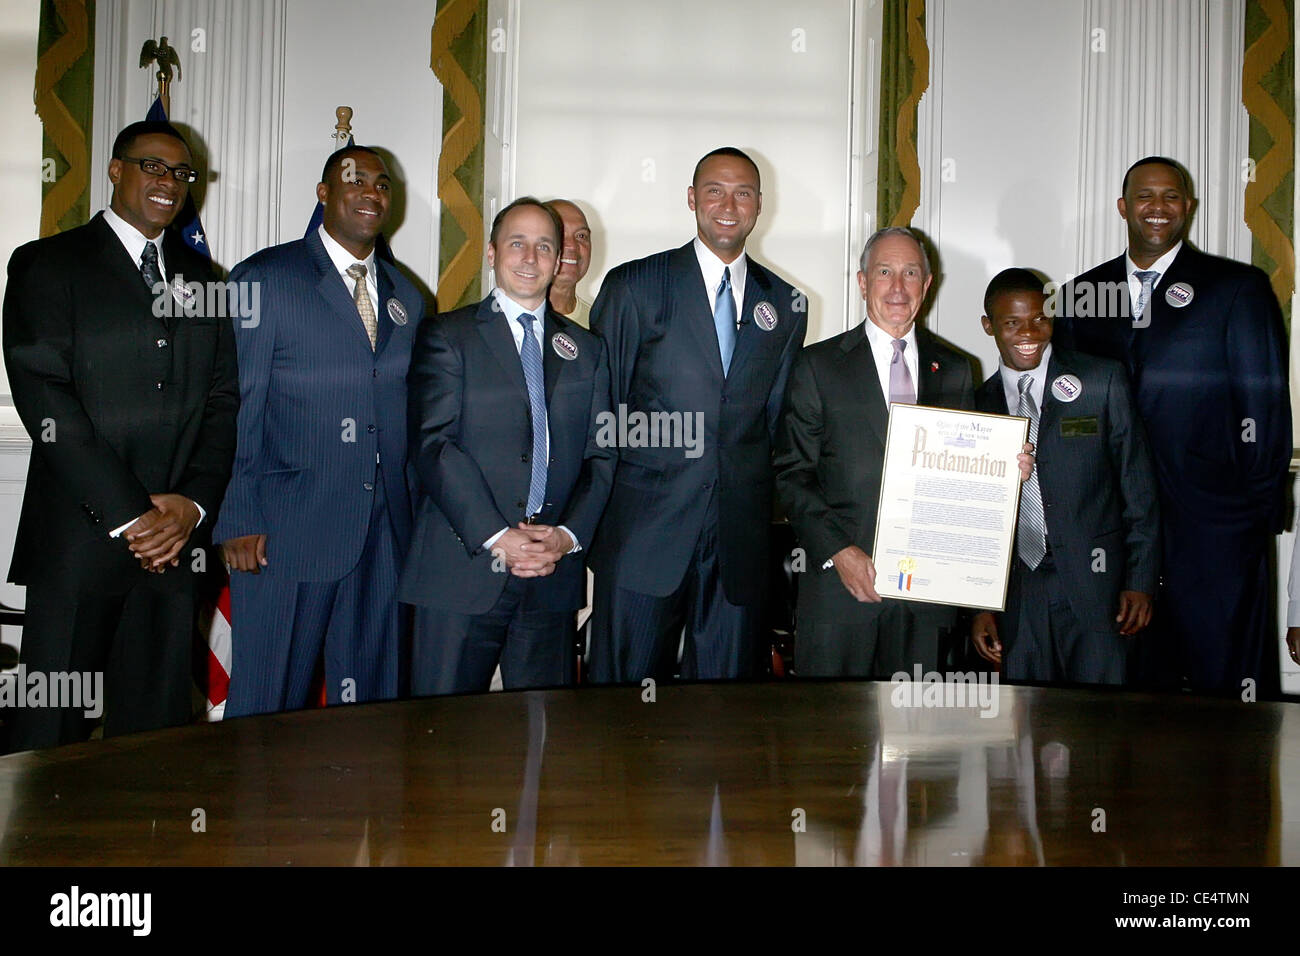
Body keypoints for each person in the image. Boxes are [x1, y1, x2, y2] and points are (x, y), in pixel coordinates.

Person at [2, 120, 238, 748]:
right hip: (79, 538)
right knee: (48, 723)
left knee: (155, 727)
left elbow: (221, 403)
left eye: (182, 173)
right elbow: (44, 397)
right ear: (115, 170)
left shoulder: (205, 279)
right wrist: (132, 516)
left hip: (173, 545)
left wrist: (190, 505)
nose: (169, 183)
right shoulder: (45, 263)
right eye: (153, 167)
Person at [1054, 156, 1291, 696]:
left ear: (1188, 207)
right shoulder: (1079, 297)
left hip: (1214, 524)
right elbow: (1071, 414)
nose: (1157, 207)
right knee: (1133, 683)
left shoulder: (1237, 288)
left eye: (1171, 197)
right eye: (1144, 196)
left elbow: (1266, 407)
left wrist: (1252, 514)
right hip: (1116, 527)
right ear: (1123, 207)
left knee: (1224, 681)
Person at [214, 145, 424, 715]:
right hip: (285, 528)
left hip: (383, 531)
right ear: (324, 193)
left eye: (383, 184)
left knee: (374, 701)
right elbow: (240, 405)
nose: (371, 193)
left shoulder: (408, 297)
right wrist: (238, 514)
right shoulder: (266, 278)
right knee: (268, 698)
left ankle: (363, 807)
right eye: (355, 181)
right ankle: (253, 806)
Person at [586, 146, 807, 683]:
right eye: (714, 190)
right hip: (644, 536)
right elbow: (601, 415)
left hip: (738, 546)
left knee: (723, 719)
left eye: (743, 192)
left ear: (760, 205)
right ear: (692, 199)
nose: (728, 204)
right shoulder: (634, 286)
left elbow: (775, 424)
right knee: (619, 713)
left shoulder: (787, 304)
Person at [399, 197, 614, 693]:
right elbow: (434, 447)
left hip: (551, 573)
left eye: (544, 246)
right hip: (461, 571)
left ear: (559, 259)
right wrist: (499, 537)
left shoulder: (587, 350)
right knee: (443, 744)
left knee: (541, 739)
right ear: (493, 253)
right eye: (517, 243)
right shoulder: (447, 335)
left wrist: (564, 536)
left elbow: (602, 456)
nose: (530, 258)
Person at [774, 227, 977, 677]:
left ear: (927, 285)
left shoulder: (958, 370)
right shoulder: (818, 366)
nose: (898, 287)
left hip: (926, 598)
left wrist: (1005, 470)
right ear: (863, 281)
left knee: (919, 738)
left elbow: (967, 476)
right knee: (834, 738)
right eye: (885, 272)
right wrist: (839, 551)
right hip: (840, 593)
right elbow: (792, 473)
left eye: (911, 273)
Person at [970, 268, 1160, 685]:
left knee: (1100, 729)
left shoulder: (1100, 380)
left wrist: (1141, 581)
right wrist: (978, 606)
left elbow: (1138, 486)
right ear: (989, 326)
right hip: (1017, 593)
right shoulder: (973, 403)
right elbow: (971, 517)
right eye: (1011, 322)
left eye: (1040, 318)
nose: (1029, 332)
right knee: (1025, 730)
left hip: (1099, 588)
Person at [546, 199, 594, 327]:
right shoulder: (507, 320)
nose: (571, 246)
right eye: (560, 234)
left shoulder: (600, 327)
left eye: (581, 236)